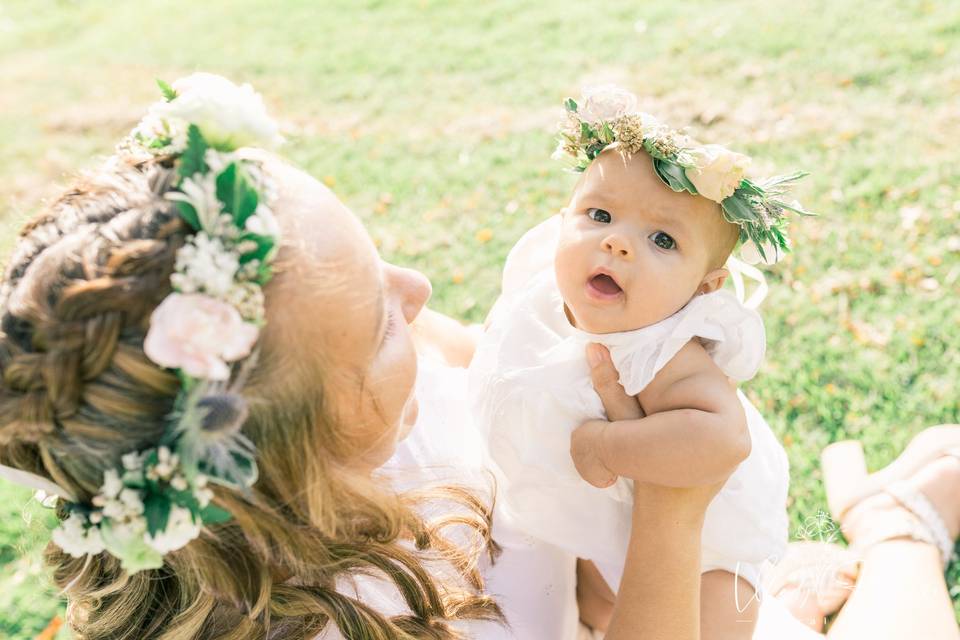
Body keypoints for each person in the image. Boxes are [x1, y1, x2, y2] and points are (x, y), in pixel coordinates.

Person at [0, 73, 724, 640]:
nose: (419, 290)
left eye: (378, 262)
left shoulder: (391, 370)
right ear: (284, 461)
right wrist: (673, 510)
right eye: (381, 325)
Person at [468, 86, 803, 637]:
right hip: (600, 518)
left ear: (705, 287)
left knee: (720, 618)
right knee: (598, 600)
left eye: (662, 240)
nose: (618, 244)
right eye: (599, 214)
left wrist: (604, 445)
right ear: (561, 220)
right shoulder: (543, 278)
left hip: (712, 539)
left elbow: (723, 440)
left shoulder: (667, 349)